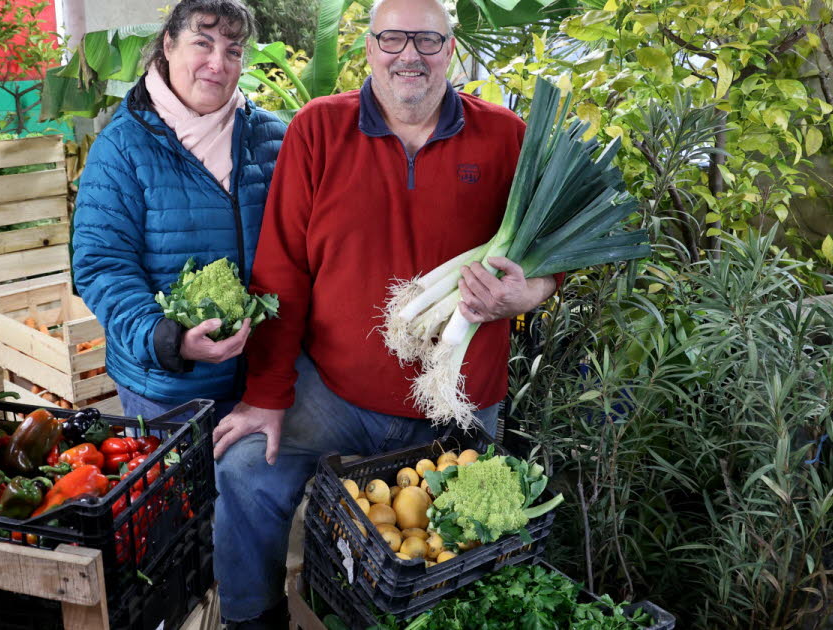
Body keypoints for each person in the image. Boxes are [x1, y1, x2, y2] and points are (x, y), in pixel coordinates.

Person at [209, 0, 560, 626]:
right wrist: (266, 394)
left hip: (457, 403)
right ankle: (252, 617)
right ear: (368, 48)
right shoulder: (318, 130)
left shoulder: (507, 136)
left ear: (450, 50)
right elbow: (281, 270)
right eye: (392, 39)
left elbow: (554, 254)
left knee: (454, 551)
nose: (409, 55)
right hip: (335, 394)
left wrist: (526, 294)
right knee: (242, 470)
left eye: (427, 41)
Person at [72, 0, 285, 421]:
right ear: (168, 45)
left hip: (262, 384)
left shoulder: (274, 138)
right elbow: (101, 264)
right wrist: (169, 340)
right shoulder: (122, 148)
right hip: (170, 390)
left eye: (233, 51)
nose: (217, 64)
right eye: (202, 44)